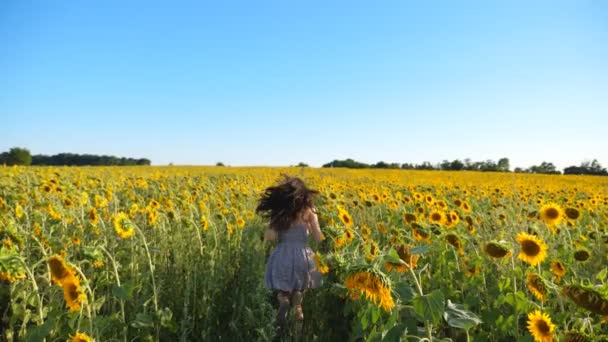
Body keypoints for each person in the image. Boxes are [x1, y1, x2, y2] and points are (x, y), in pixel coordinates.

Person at [256, 175, 322, 331]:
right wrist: (315, 222)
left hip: (283, 255)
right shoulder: (309, 213)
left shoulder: (281, 214)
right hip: (303, 256)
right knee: (299, 290)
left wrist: (273, 225)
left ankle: (283, 300)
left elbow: (270, 237)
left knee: (283, 290)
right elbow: (319, 238)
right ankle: (298, 307)